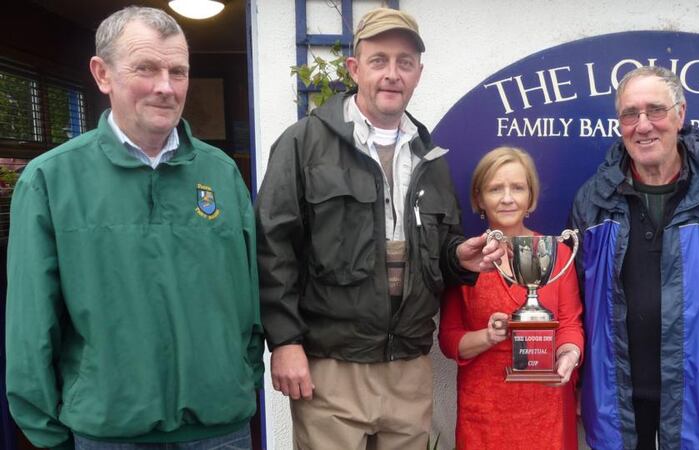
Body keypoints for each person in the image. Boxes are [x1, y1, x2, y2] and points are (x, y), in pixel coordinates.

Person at [5, 6, 264, 449]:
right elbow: (31, 322)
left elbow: (248, 300)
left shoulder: (221, 173)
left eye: (177, 71)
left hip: (220, 429)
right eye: (146, 68)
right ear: (102, 74)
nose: (166, 86)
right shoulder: (50, 180)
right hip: (109, 433)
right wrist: (47, 431)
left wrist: (239, 379)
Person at [255, 7, 503, 450]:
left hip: (408, 368)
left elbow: (440, 246)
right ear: (355, 69)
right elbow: (273, 248)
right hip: (331, 367)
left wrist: (457, 258)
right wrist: (285, 342)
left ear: (418, 73)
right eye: (379, 61)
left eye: (404, 62)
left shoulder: (431, 157)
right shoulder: (302, 144)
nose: (392, 74)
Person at [570, 66, 699, 450]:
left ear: (680, 114)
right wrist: (579, 385)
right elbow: (575, 305)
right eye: (630, 114)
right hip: (616, 396)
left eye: (655, 110)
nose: (643, 125)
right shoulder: (593, 198)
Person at [439, 146, 584, 450]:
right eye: (495, 189)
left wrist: (568, 356)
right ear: (479, 199)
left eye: (517, 187)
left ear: (531, 197)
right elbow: (449, 340)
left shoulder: (557, 253)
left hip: (547, 408)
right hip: (484, 410)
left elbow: (570, 323)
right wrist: (488, 337)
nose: (507, 198)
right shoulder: (465, 259)